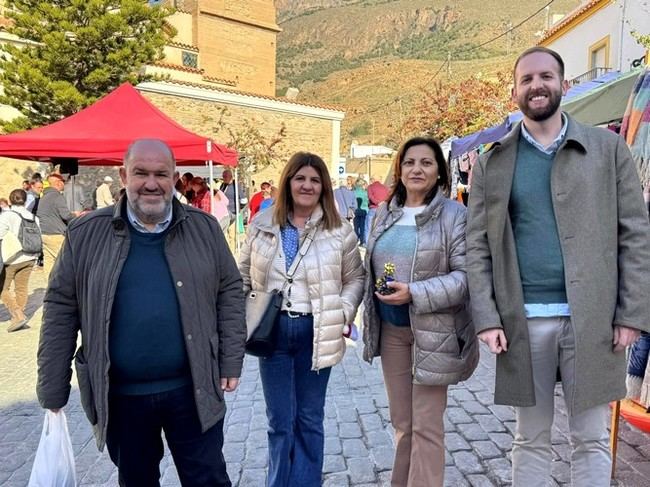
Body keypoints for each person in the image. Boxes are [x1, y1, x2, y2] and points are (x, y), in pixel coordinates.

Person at [466, 47, 650, 486]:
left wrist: (630, 314)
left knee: (589, 437)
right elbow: (477, 246)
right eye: (527, 79)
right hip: (522, 321)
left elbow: (636, 236)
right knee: (529, 438)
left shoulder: (608, 150)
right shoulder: (494, 162)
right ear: (515, 92)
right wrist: (487, 317)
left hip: (592, 319)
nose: (536, 86)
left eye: (545, 76)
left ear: (563, 85)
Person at [36, 139, 246, 487]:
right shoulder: (86, 234)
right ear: (123, 175)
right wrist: (53, 388)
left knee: (208, 479)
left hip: (194, 391)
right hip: (122, 397)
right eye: (141, 173)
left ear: (174, 177)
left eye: (161, 174)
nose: (151, 183)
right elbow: (60, 308)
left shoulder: (204, 229)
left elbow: (230, 293)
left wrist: (231, 360)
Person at [239, 151, 364, 487]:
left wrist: (344, 312)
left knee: (309, 419)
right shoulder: (262, 225)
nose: (307, 185)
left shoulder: (339, 231)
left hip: (316, 329)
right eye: (300, 178)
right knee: (280, 421)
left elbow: (356, 278)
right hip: (273, 332)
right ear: (288, 182)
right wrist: (244, 315)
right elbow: (243, 277)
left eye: (314, 179)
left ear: (323, 185)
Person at [362, 137, 478, 487]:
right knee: (403, 424)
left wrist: (414, 293)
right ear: (400, 168)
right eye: (410, 162)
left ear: (440, 172)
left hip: (435, 333)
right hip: (392, 331)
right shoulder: (385, 211)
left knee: (426, 426)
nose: (417, 169)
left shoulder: (455, 215)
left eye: (426, 162)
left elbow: (466, 277)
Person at [0, 189, 40, 332]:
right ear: (24, 200)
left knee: (2, 288)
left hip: (12, 257)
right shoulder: (33, 217)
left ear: (11, 200)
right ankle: (20, 315)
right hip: (29, 257)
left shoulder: (8, 215)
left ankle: (17, 314)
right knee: (21, 288)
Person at [36, 173, 76, 277]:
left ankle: (48, 288)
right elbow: (66, 216)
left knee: (49, 262)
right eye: (63, 181)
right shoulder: (57, 196)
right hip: (57, 234)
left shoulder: (43, 197)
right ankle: (63, 289)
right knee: (64, 263)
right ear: (58, 183)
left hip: (44, 233)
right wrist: (76, 215)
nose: (64, 184)